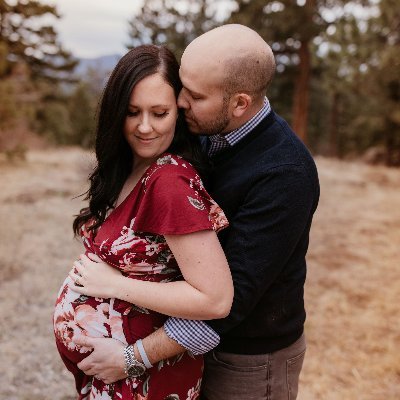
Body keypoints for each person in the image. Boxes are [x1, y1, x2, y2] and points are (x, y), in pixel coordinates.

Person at [72, 24, 320, 400]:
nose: (181, 102)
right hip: (183, 350)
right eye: (182, 86)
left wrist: (132, 357)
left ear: (239, 104)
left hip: (247, 360)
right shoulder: (207, 129)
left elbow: (227, 304)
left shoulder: (285, 174)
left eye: (195, 95)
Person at [53, 44, 234, 400]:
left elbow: (215, 299)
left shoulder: (169, 181)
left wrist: (115, 286)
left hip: (145, 379)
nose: (145, 127)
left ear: (179, 113)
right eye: (132, 112)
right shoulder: (132, 166)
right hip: (113, 376)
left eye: (160, 113)